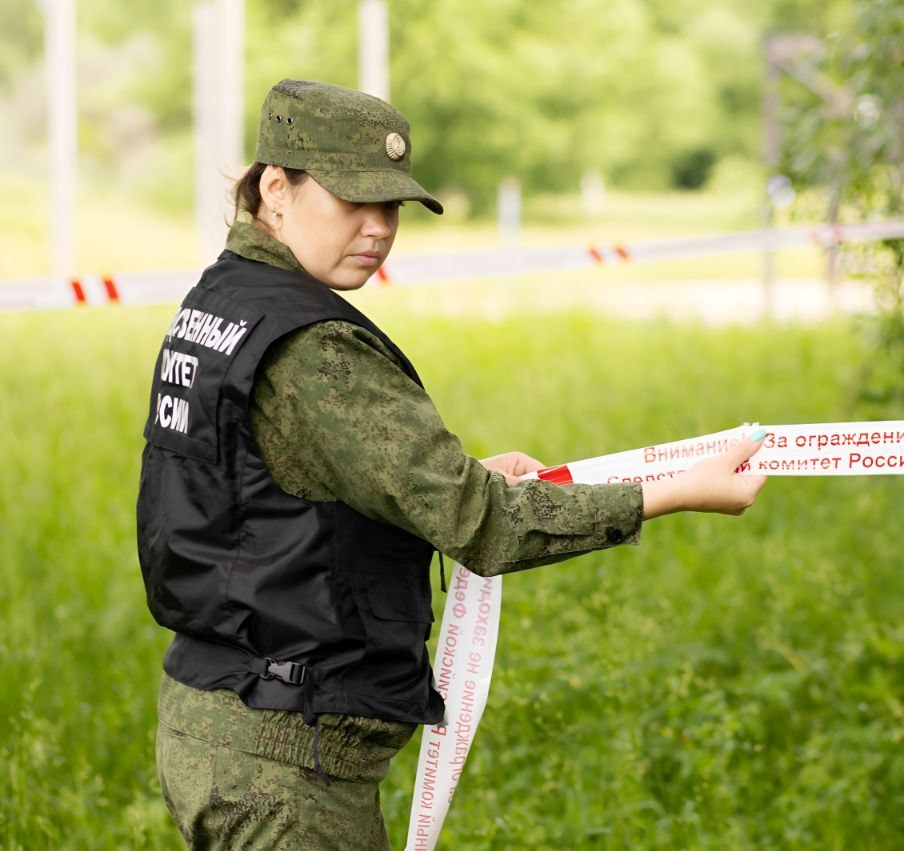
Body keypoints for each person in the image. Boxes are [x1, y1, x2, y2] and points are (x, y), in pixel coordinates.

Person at [137, 78, 767, 850]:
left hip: (214, 715)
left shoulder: (227, 299)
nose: (378, 228)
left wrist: (440, 475)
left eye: (393, 205)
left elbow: (274, 486)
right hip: (282, 765)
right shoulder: (314, 346)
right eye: (353, 199)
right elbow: (480, 522)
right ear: (277, 188)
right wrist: (674, 490)